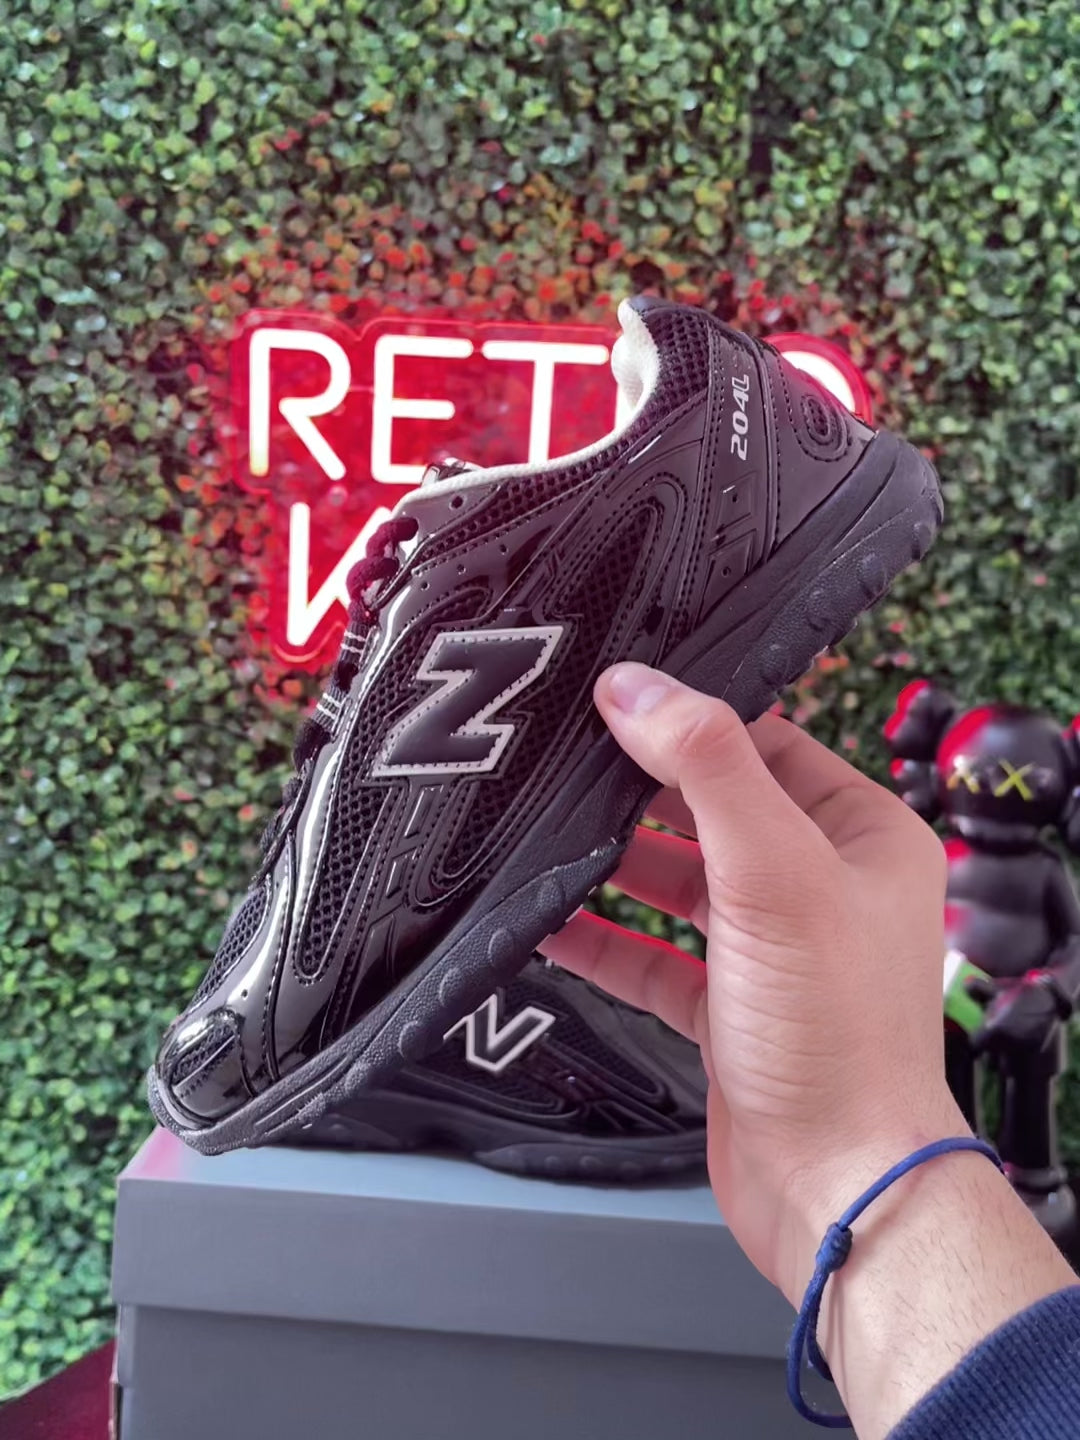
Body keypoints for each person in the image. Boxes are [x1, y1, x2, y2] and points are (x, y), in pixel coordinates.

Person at [540, 663, 1080, 1440]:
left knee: (1025, 1100)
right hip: (950, 1013)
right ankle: (983, 1167)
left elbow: (1070, 945)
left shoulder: (1044, 876)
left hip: (1019, 1020)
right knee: (950, 1083)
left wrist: (1049, 992)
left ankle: (1028, 1173)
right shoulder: (955, 864)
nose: (1000, 789)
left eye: (1021, 781)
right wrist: (858, 1169)